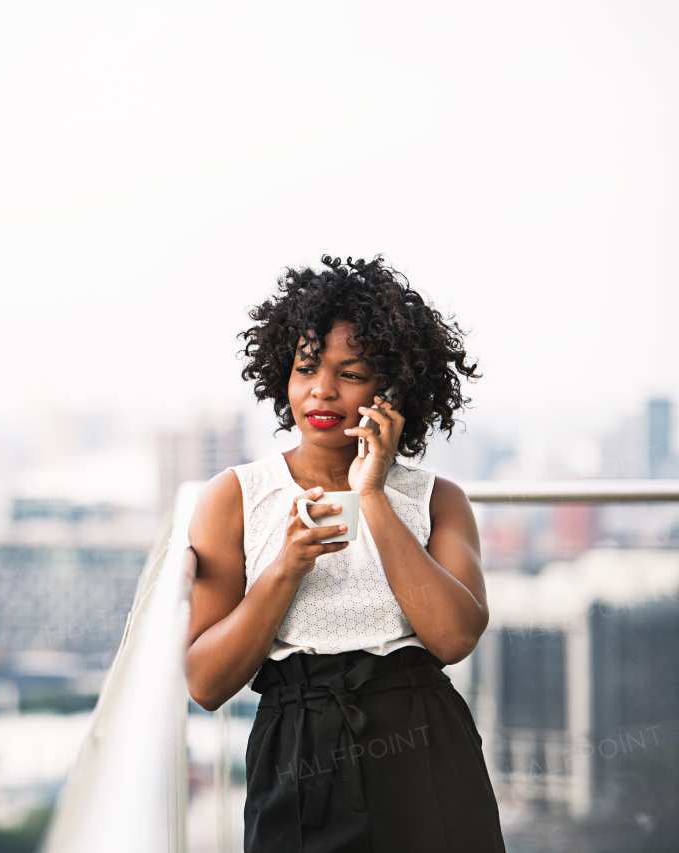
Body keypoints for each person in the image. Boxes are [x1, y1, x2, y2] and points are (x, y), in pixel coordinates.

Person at [185, 255, 505, 853]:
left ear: (393, 386)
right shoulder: (235, 496)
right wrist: (284, 570)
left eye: (350, 372)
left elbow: (454, 639)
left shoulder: (439, 500)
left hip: (423, 742)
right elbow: (205, 682)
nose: (322, 390)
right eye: (306, 368)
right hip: (296, 745)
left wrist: (373, 497)